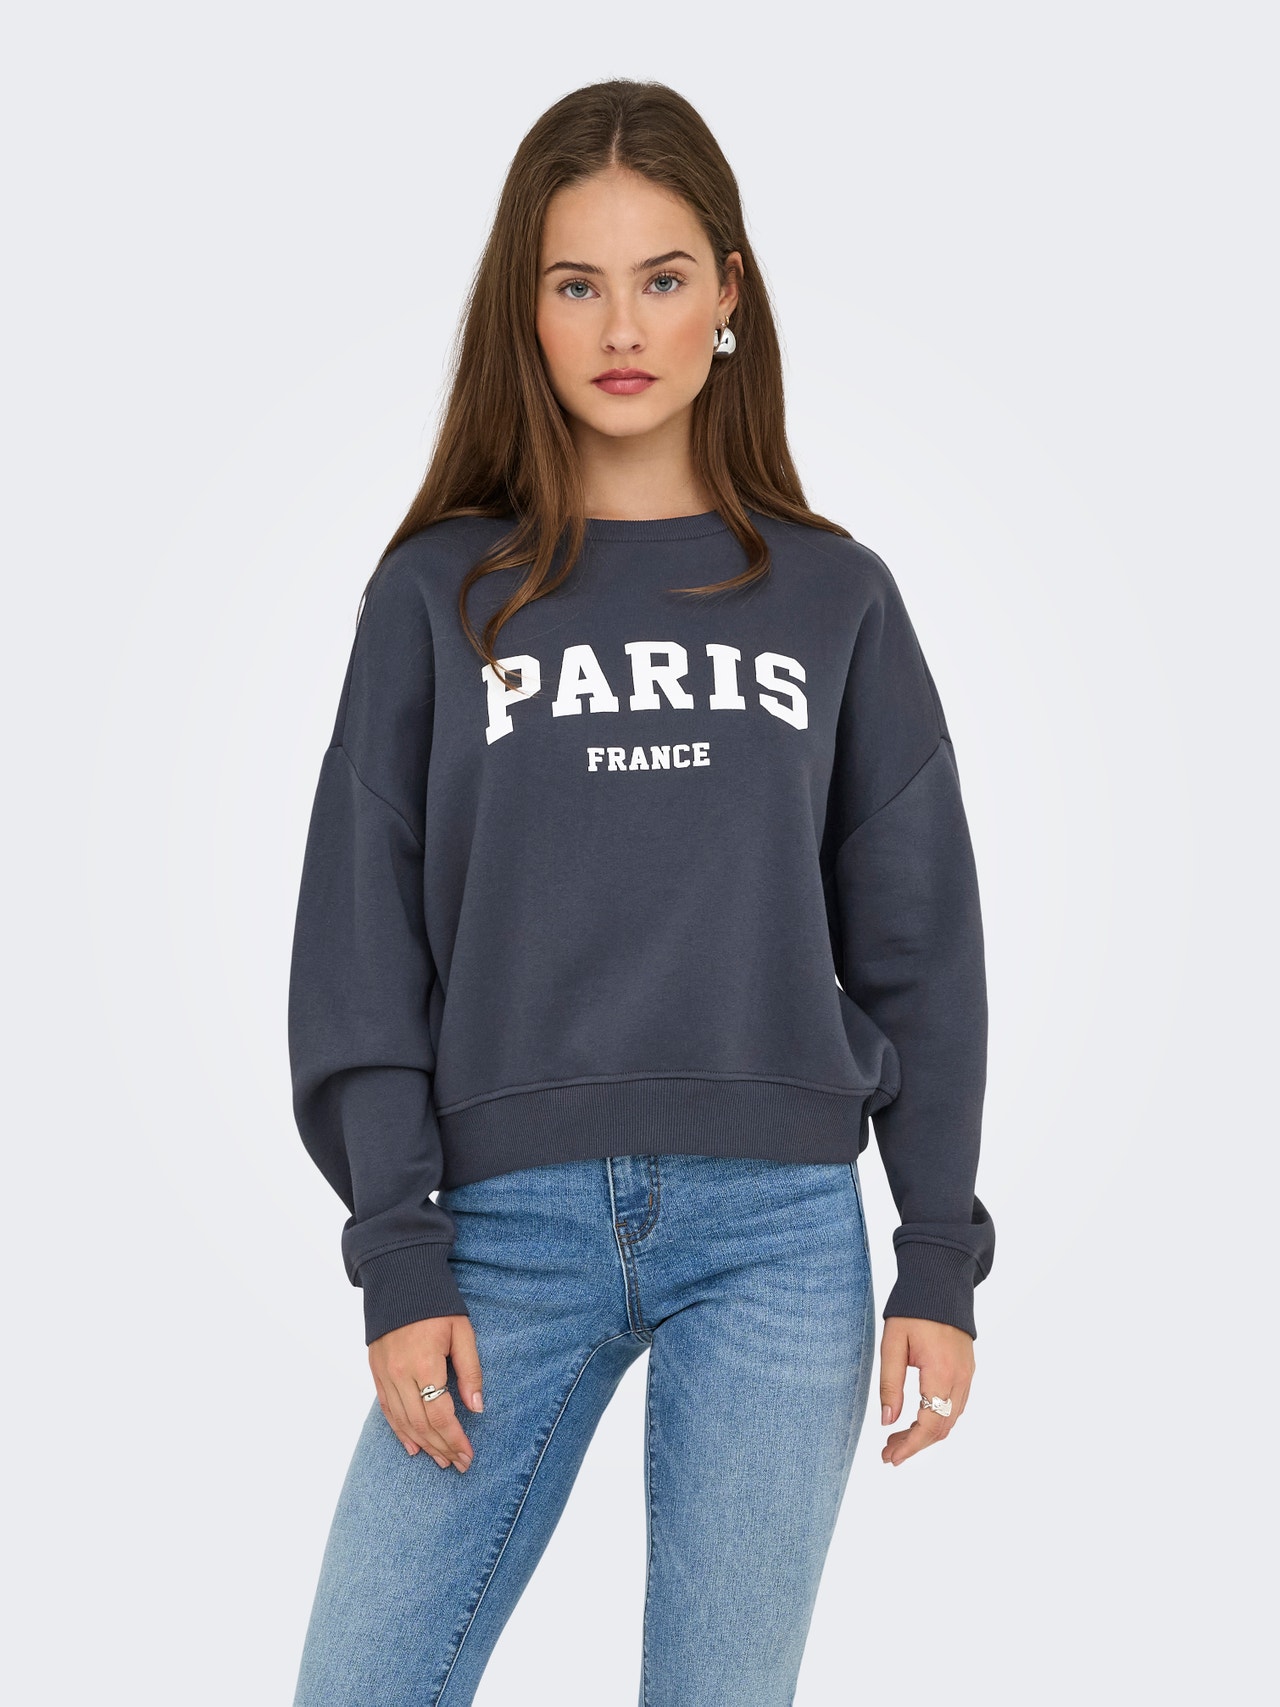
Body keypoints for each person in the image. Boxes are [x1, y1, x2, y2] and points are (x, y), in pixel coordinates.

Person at [286, 76, 995, 1707]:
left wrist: (939, 1257)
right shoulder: (437, 596)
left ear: (728, 293)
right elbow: (358, 941)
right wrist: (398, 1250)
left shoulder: (834, 597)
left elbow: (921, 947)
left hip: (779, 1234)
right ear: (523, 311)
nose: (623, 327)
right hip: (498, 1239)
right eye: (576, 282)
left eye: (663, 277)